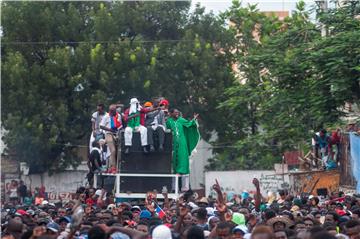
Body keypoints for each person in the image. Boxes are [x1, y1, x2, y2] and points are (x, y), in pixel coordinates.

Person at [166, 109, 199, 181]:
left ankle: (182, 171)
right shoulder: (169, 121)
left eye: (178, 112)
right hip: (174, 141)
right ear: (171, 114)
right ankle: (176, 171)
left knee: (183, 154)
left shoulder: (181, 120)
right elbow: (166, 128)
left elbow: (189, 124)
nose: (177, 114)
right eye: (175, 113)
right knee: (175, 157)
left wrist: (194, 120)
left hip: (182, 140)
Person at [100, 104, 122, 172]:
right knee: (113, 150)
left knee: (118, 152)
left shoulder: (118, 116)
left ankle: (112, 167)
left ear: (115, 110)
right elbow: (101, 126)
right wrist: (109, 129)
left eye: (113, 111)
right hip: (108, 134)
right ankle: (113, 167)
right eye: (110, 111)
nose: (111, 112)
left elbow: (120, 125)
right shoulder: (106, 116)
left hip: (116, 134)